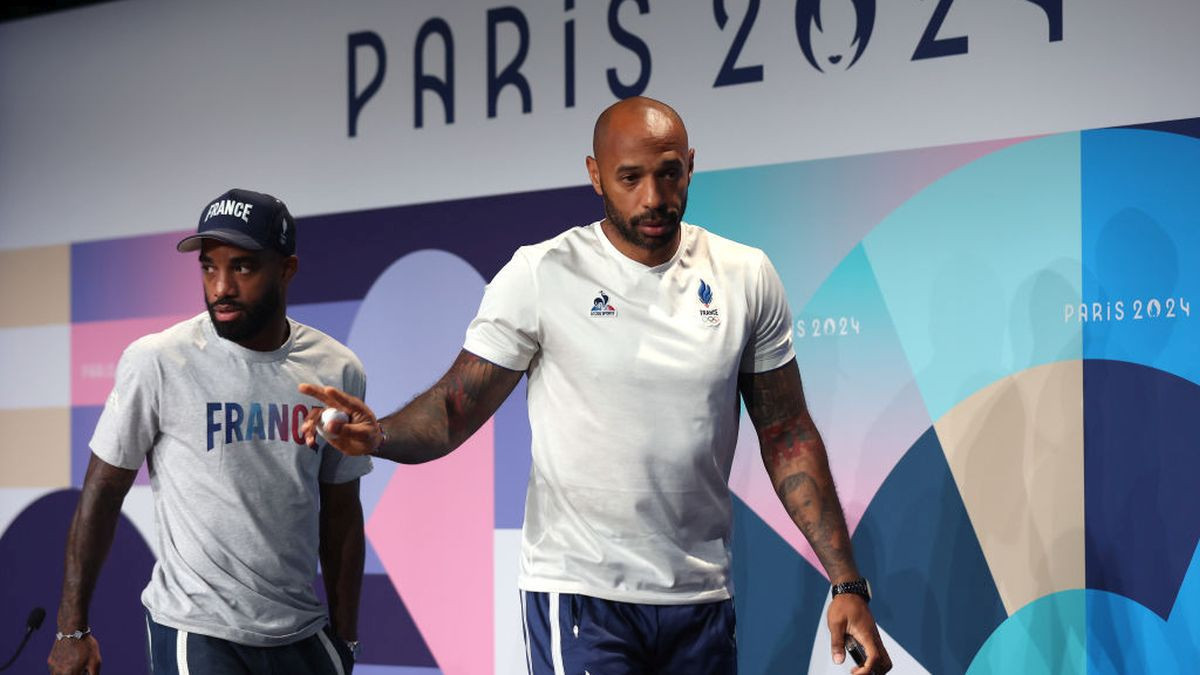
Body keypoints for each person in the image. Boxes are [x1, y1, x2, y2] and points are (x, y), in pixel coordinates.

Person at [301, 97, 892, 674]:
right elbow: (455, 410)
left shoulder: (744, 274)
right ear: (596, 175)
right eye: (630, 178)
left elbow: (787, 433)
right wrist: (377, 434)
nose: (654, 198)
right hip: (581, 597)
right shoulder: (541, 274)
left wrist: (846, 582)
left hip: (701, 600)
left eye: (669, 174)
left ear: (691, 164)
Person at [48, 189, 369, 675]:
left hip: (301, 630)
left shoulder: (336, 369)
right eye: (208, 267)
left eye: (242, 267)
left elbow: (342, 514)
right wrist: (72, 630)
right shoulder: (159, 360)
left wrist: (345, 639)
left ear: (286, 269)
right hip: (198, 630)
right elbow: (101, 491)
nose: (221, 286)